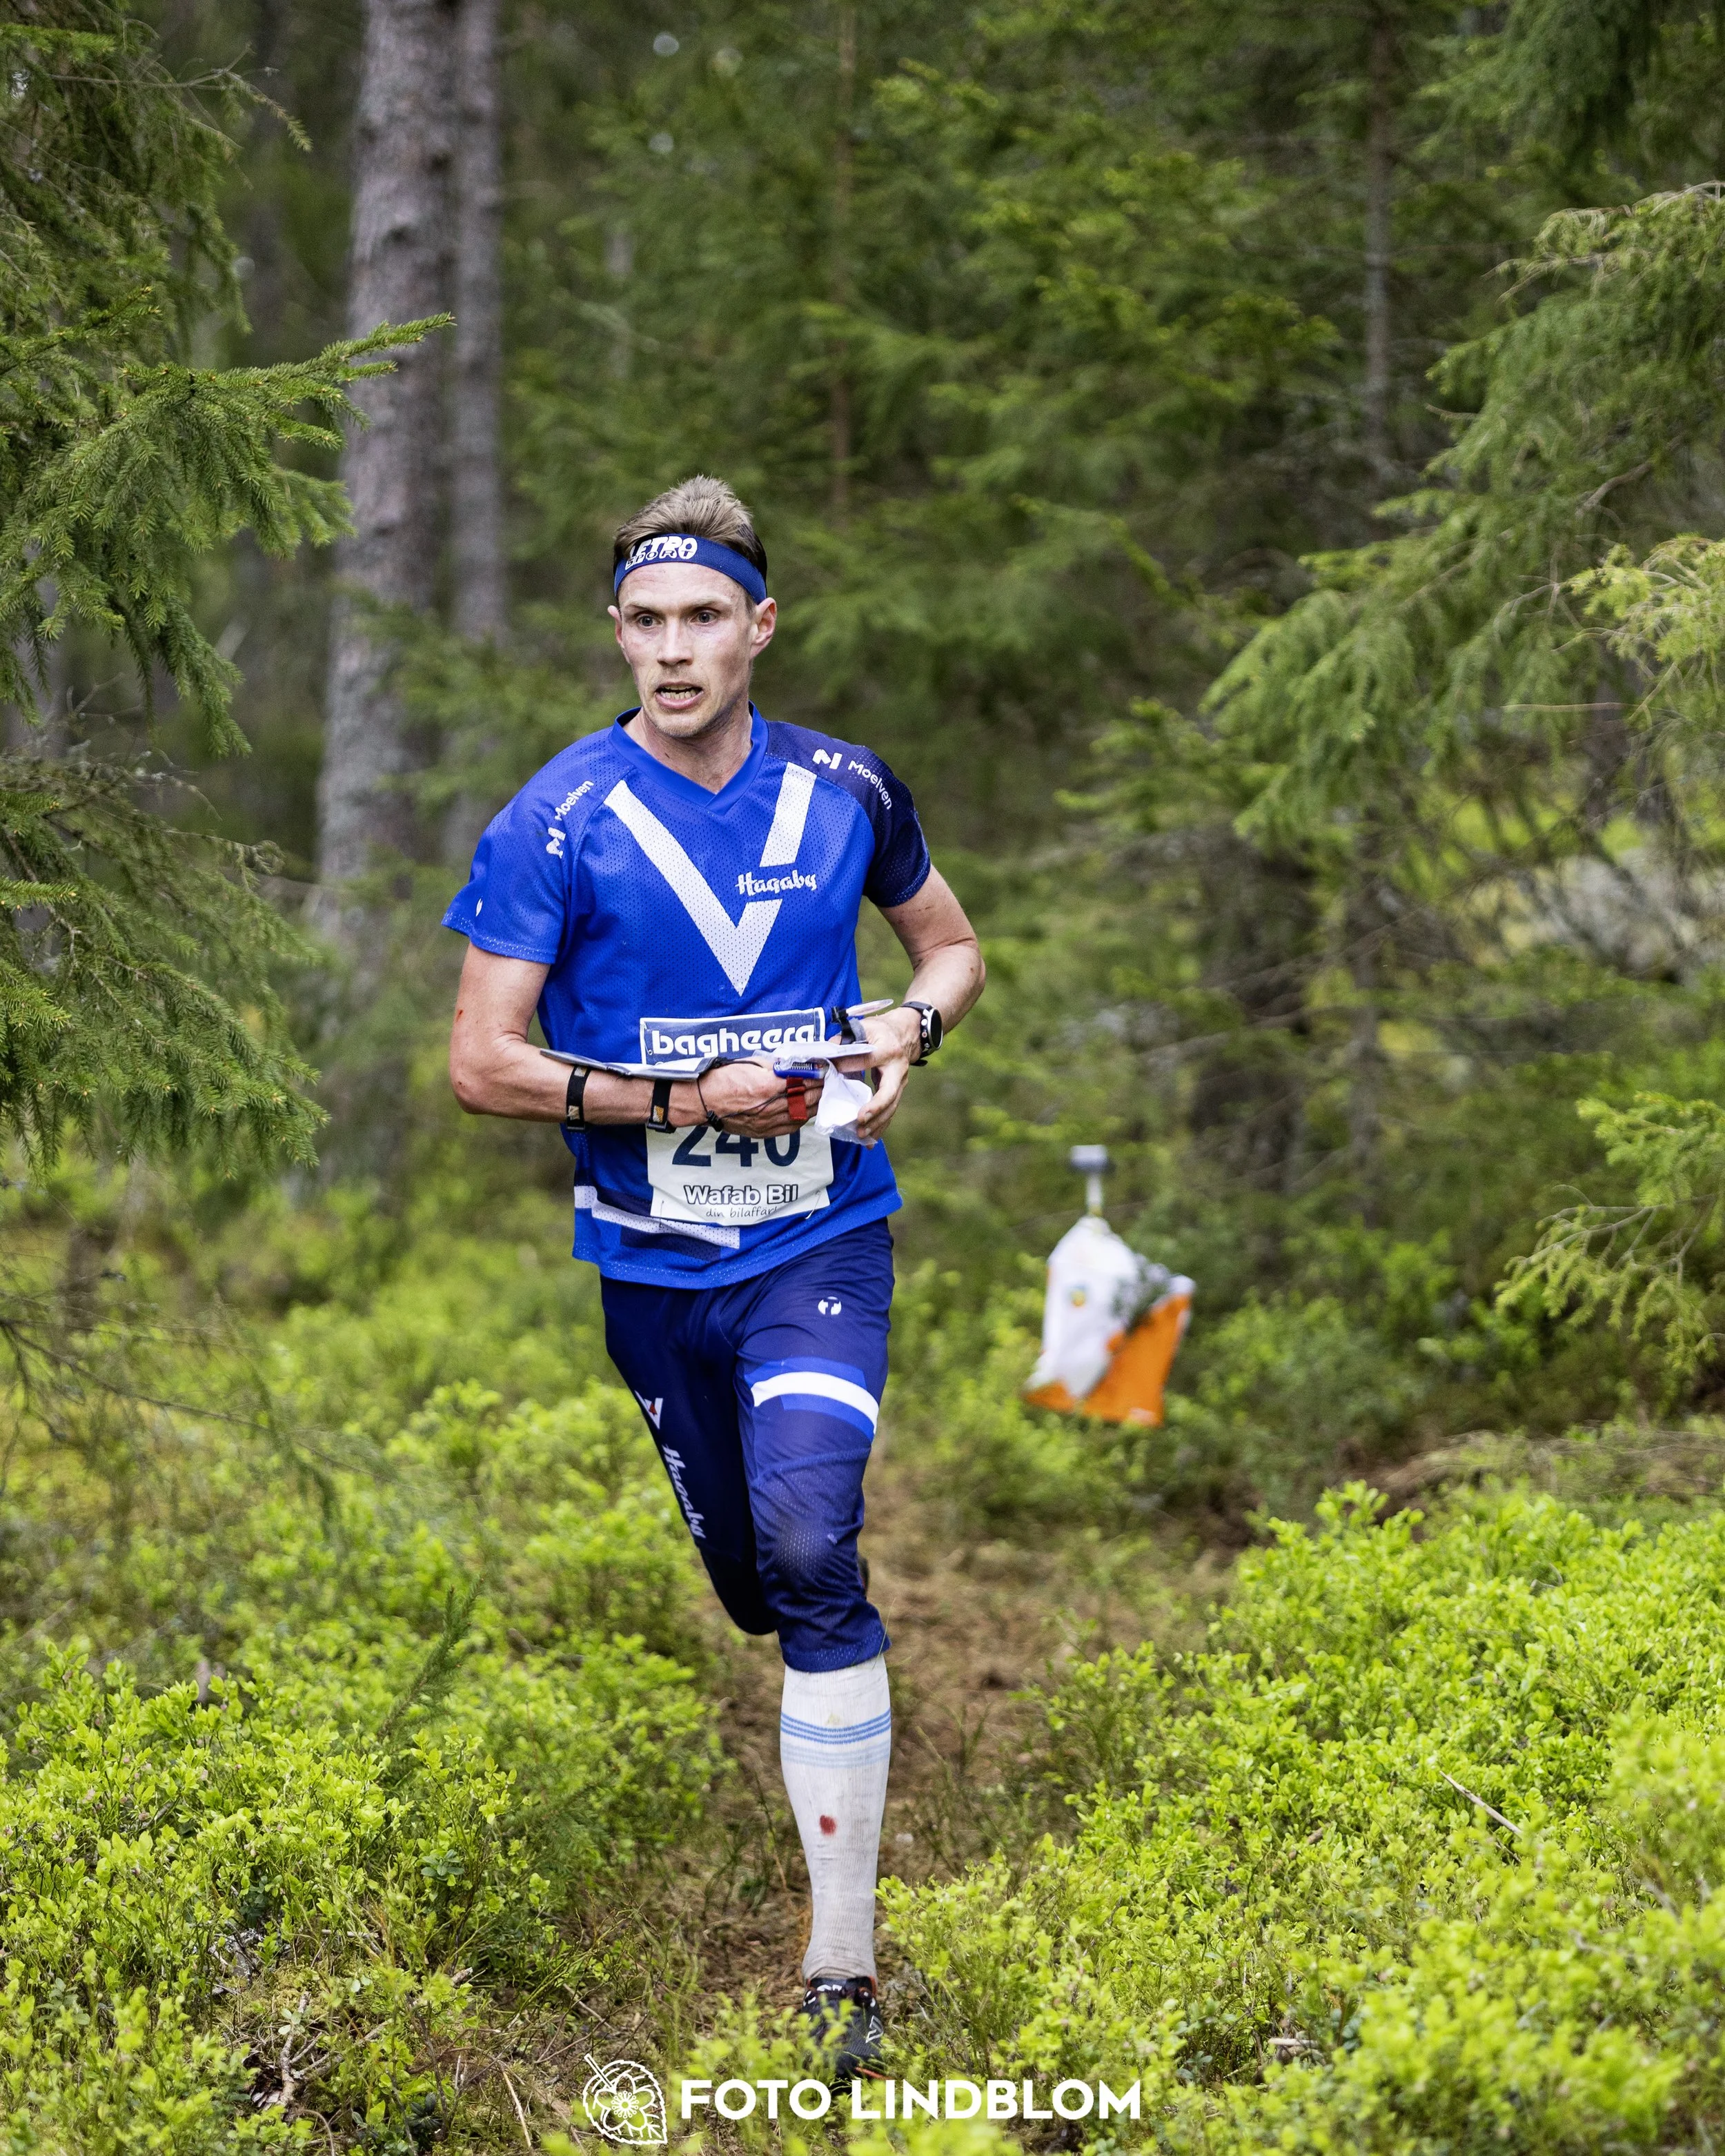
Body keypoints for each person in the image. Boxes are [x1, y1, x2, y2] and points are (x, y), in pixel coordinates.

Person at [442, 475, 985, 2073]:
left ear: (758, 627)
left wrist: (906, 1028)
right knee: (756, 1577)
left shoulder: (847, 788)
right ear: (615, 633)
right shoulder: (553, 817)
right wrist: (680, 1099)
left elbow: (949, 947)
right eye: (644, 623)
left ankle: (841, 1968)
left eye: (702, 620)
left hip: (822, 1232)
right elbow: (481, 1062)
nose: (671, 652)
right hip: (651, 1261)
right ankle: (795, 1639)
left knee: (817, 1545)